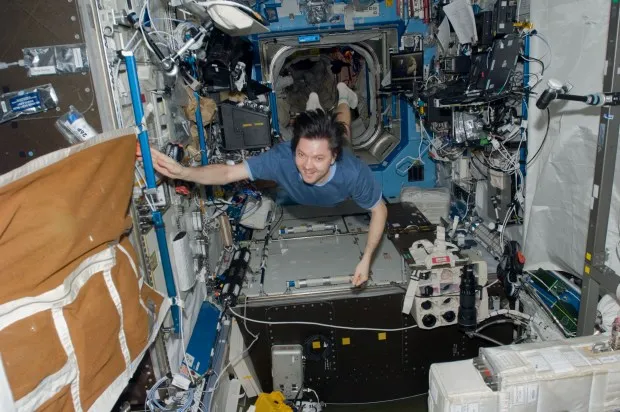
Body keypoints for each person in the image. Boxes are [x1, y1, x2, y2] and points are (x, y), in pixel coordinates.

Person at [148, 82, 387, 287]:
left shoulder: (352, 173)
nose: (308, 166)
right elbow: (228, 173)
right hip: (305, 165)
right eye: (302, 155)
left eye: (319, 158)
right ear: (293, 148)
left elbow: (379, 210)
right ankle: (313, 111)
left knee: (342, 131)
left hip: (341, 161)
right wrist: (183, 172)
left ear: (333, 157)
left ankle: (344, 95)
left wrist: (367, 259)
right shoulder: (281, 158)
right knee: (321, 135)